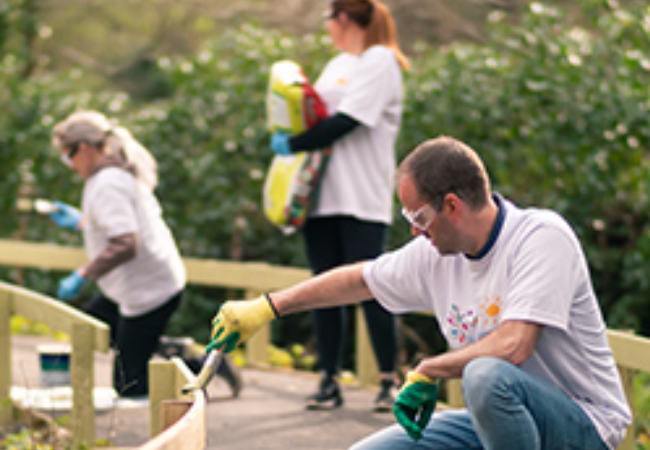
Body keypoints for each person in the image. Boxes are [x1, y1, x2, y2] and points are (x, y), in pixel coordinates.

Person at [209, 136, 632, 450]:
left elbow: (514, 344)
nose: (413, 229)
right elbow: (360, 279)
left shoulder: (540, 237)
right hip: (502, 425)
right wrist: (268, 306)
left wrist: (430, 368)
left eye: (418, 216)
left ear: (451, 206)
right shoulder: (435, 253)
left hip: (584, 426)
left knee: (485, 375)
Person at [269, 0, 409, 411]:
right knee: (322, 289)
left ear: (343, 18)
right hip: (321, 196)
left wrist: (292, 144)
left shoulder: (380, 61)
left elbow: (349, 121)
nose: (328, 27)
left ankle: (389, 379)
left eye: (329, 19)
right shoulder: (337, 65)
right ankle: (328, 379)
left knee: (373, 288)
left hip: (361, 195)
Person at [48, 110, 241, 398]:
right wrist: (81, 220)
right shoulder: (111, 175)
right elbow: (117, 222)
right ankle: (168, 347)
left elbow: (127, 242)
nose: (70, 166)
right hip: (134, 286)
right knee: (91, 325)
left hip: (149, 291)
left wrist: (83, 274)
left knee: (129, 384)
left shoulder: (107, 182)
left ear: (84, 149)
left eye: (68, 156)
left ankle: (200, 367)